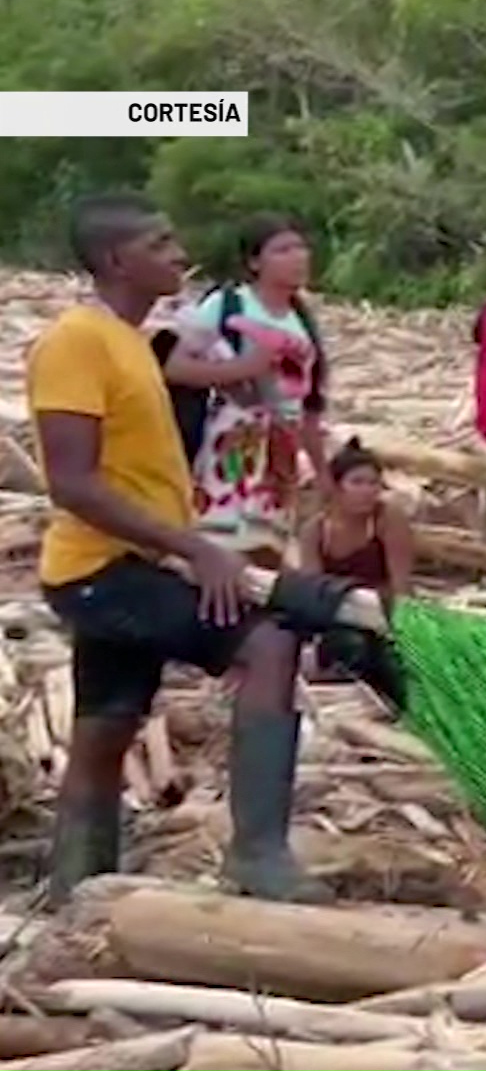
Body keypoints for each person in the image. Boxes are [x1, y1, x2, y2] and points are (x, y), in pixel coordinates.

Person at [29, 193, 331, 905]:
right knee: (267, 648)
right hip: (102, 568)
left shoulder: (137, 342)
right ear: (115, 260)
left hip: (130, 564)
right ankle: (257, 856)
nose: (178, 252)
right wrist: (196, 549)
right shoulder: (77, 340)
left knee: (106, 725)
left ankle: (79, 887)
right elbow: (72, 483)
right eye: (160, 243)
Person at [164, 214, 332, 567]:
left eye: (301, 248)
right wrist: (243, 370)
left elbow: (310, 407)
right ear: (255, 262)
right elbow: (175, 366)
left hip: (281, 448)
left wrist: (322, 473)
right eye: (283, 250)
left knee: (267, 545)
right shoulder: (227, 306)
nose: (298, 257)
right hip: (233, 439)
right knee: (220, 540)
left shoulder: (302, 318)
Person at [298, 439, 411, 704]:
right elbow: (313, 592)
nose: (367, 491)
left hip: (384, 614)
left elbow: (402, 584)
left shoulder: (387, 519)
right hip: (340, 616)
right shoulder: (315, 531)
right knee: (349, 647)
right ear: (338, 488)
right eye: (357, 483)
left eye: (373, 483)